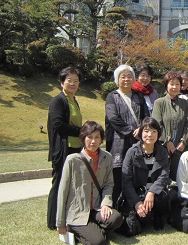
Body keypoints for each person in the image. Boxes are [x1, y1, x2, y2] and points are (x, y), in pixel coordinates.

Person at [57, 121, 124, 245]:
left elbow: (109, 184)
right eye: (89, 137)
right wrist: (60, 222)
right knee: (100, 242)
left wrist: (106, 204)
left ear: (101, 139)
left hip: (97, 208)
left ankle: (93, 229)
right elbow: (63, 191)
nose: (93, 141)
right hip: (78, 211)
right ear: (83, 138)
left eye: (97, 137)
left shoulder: (107, 157)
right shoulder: (72, 160)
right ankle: (78, 229)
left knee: (116, 218)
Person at [105, 64, 149, 205]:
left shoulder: (138, 96)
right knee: (118, 176)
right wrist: (131, 131)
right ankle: (117, 208)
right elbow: (113, 118)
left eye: (129, 77)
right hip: (118, 143)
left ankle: (136, 208)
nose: (126, 79)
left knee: (136, 174)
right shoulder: (112, 97)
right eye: (122, 77)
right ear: (117, 79)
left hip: (137, 142)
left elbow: (146, 116)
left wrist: (141, 128)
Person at [47, 67, 83, 230]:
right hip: (63, 150)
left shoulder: (74, 100)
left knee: (71, 185)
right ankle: (53, 220)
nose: (73, 83)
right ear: (62, 82)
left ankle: (68, 217)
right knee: (59, 184)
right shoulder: (58, 101)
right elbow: (58, 125)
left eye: (76, 81)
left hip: (75, 148)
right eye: (69, 80)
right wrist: (81, 132)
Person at [121, 117, 170, 231]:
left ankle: (157, 215)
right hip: (138, 193)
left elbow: (164, 176)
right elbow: (126, 180)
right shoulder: (132, 152)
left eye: (154, 131)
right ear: (140, 132)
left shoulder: (162, 152)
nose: (150, 135)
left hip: (155, 194)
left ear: (158, 134)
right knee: (140, 221)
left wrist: (152, 192)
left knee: (162, 198)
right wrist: (137, 202)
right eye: (146, 131)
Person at [152, 70, 188, 180]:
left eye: (177, 84)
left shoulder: (185, 104)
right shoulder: (159, 103)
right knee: (162, 177)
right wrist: (167, 142)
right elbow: (157, 124)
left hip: (181, 148)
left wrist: (184, 141)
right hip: (162, 147)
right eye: (171, 84)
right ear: (166, 85)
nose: (174, 87)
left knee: (179, 178)